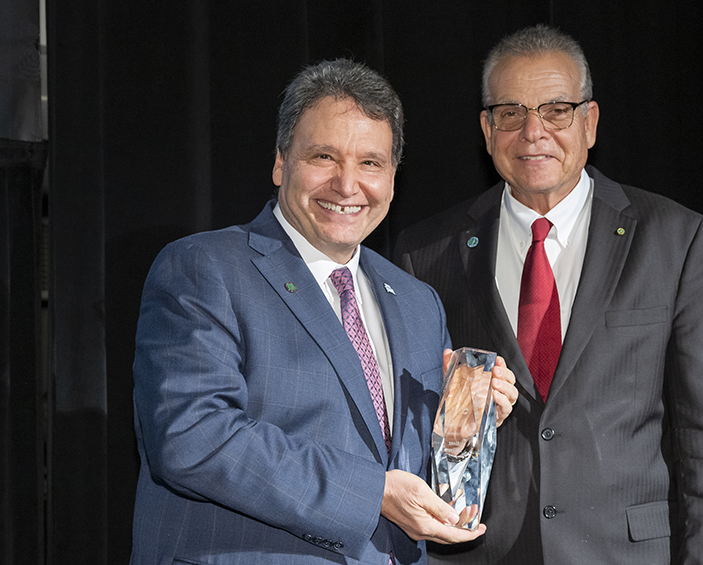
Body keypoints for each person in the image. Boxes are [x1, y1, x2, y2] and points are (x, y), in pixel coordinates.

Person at [130, 58, 518, 565]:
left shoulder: (417, 302)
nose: (347, 184)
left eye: (370, 163)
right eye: (323, 157)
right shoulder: (203, 269)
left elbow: (405, 465)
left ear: (394, 179)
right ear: (279, 163)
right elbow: (192, 436)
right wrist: (372, 492)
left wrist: (468, 423)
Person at [394, 25, 703, 564]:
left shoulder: (675, 239)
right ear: (487, 131)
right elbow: (406, 428)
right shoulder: (426, 252)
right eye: (511, 113)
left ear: (590, 122)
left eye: (556, 110)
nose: (533, 132)